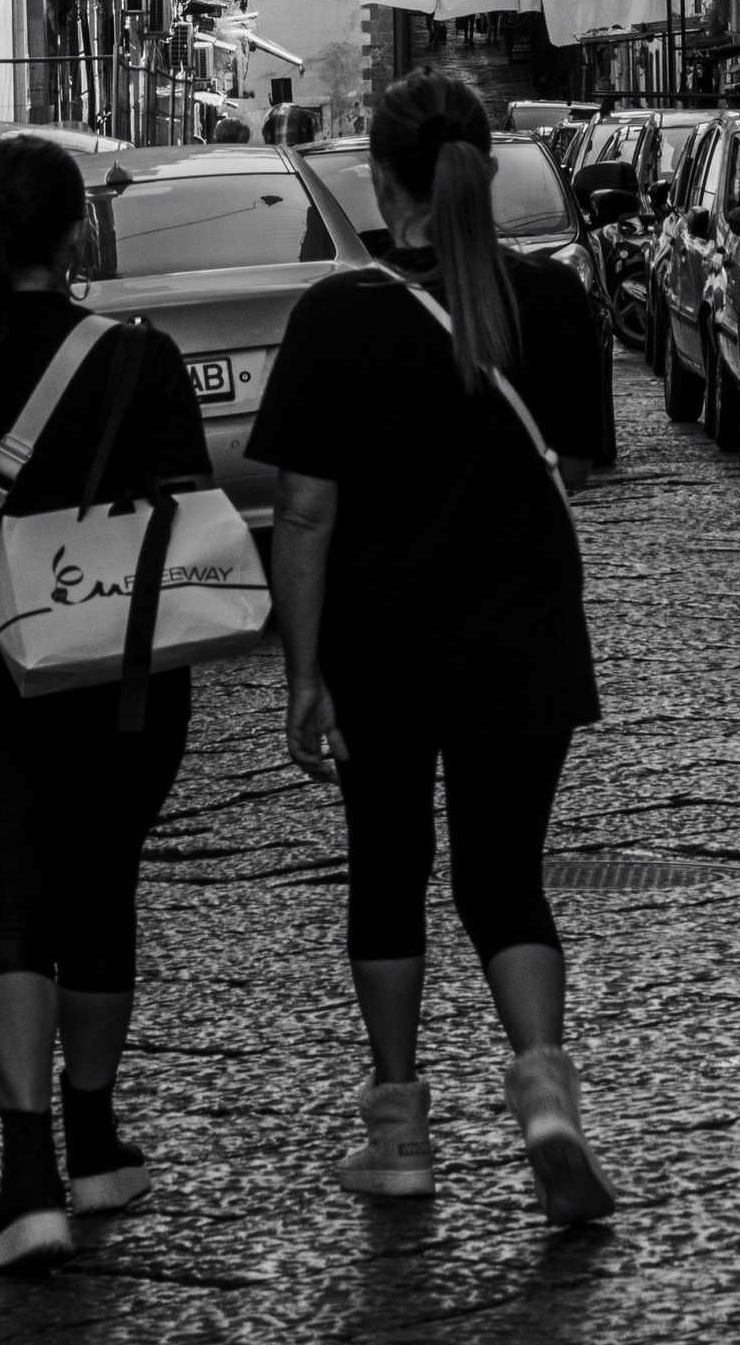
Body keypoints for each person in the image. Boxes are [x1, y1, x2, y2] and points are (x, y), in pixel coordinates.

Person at [248, 65, 617, 1229]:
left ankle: (399, 1128)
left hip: (382, 642)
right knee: (504, 877)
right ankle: (544, 1090)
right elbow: (583, 463)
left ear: (379, 175)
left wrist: (303, 673)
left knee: (387, 871)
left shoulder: (336, 318)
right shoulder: (551, 304)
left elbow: (303, 511)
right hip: (521, 633)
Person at [0, 133, 211, 1277]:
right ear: (76, 233)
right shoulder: (134, 356)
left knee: (8, 904)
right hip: (117, 673)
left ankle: (27, 1180)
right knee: (100, 886)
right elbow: (187, 511)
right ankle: (97, 1143)